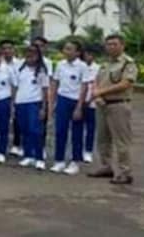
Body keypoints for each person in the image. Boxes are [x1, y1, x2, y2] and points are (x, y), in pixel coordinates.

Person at [87, 35, 138, 185]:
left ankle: (125, 172)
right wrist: (97, 95)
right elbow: (96, 82)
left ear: (122, 45)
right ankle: (106, 166)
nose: (111, 47)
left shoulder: (127, 63)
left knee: (121, 141)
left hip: (119, 105)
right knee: (103, 139)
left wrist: (101, 92)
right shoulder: (105, 64)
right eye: (108, 44)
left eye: (114, 44)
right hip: (102, 104)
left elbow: (125, 84)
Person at [50, 40, 91, 175]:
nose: (66, 51)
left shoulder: (82, 66)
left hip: (76, 101)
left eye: (69, 49)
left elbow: (84, 87)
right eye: (65, 49)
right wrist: (53, 101)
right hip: (62, 100)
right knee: (60, 131)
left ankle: (75, 162)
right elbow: (55, 83)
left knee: (76, 132)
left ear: (77, 52)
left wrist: (79, 106)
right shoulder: (60, 65)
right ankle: (59, 160)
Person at [15, 45, 50, 170]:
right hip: (20, 103)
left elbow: (45, 91)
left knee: (35, 131)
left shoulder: (41, 71)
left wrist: (44, 108)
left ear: (38, 55)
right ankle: (28, 155)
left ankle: (39, 157)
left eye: (33, 54)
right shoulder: (20, 69)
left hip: (35, 103)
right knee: (24, 130)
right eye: (28, 54)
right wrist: (14, 104)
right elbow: (15, 87)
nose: (30, 56)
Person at [82, 45, 101, 163]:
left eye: (89, 55)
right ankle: (78, 150)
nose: (87, 57)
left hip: (92, 102)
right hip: (78, 100)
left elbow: (98, 86)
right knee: (77, 127)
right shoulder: (80, 67)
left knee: (90, 128)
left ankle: (88, 151)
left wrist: (90, 100)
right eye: (85, 55)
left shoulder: (99, 69)